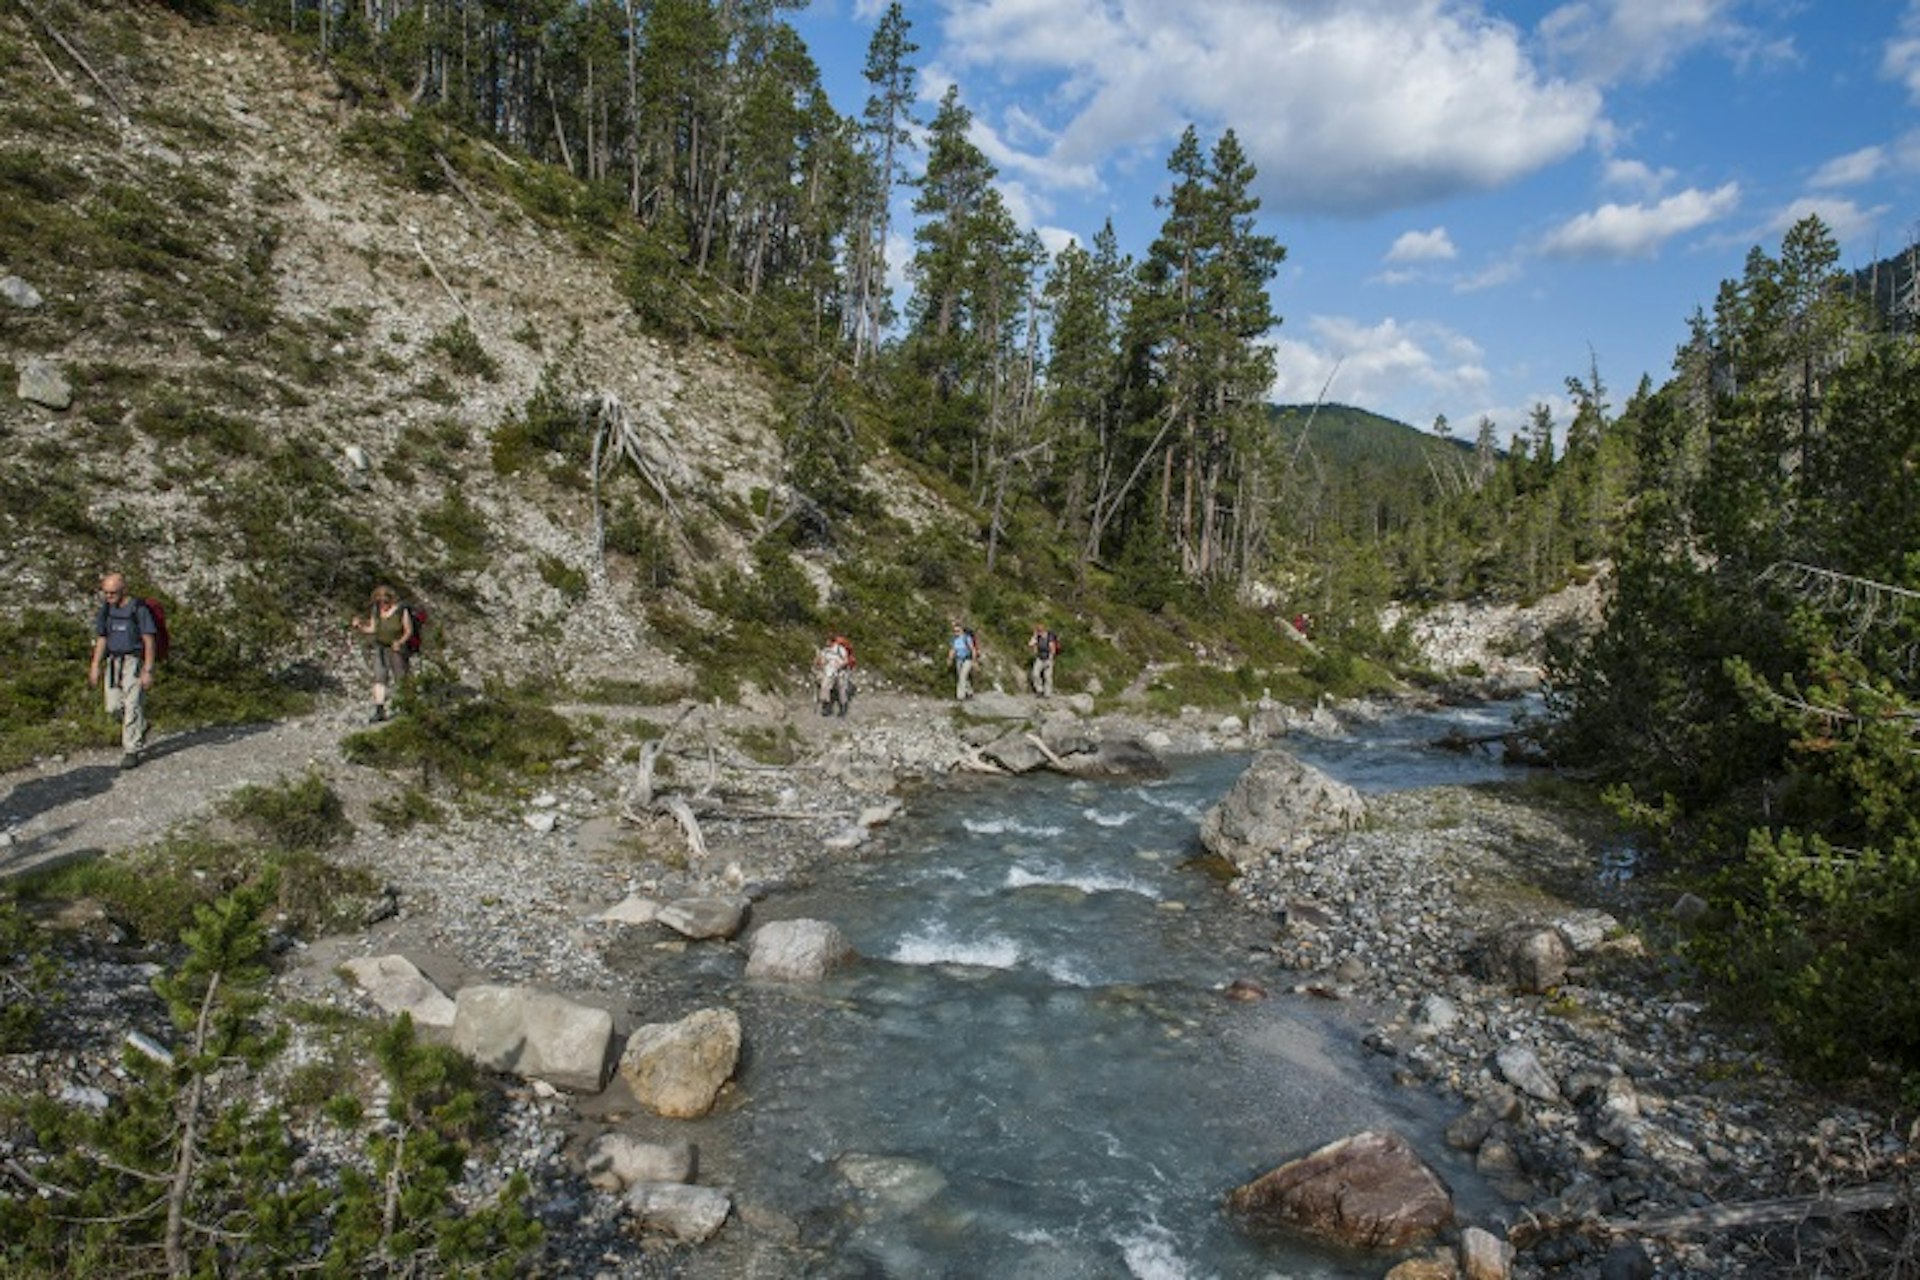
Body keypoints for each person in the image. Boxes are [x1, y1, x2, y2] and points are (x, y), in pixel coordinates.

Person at [88, 572, 156, 769]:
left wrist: (148, 669)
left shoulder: (138, 609)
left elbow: (148, 639)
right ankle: (140, 726)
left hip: (133, 661)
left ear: (123, 590)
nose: (109, 597)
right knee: (113, 707)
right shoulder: (107, 610)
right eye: (106, 593)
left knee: (132, 704)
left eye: (113, 593)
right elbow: (102, 637)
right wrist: (95, 665)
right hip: (113, 662)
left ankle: (131, 750)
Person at [349, 585, 413, 722]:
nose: (383, 604)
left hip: (397, 649)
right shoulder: (376, 610)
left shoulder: (401, 610)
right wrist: (360, 626)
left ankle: (408, 707)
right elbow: (372, 629)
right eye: (380, 601)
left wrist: (400, 642)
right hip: (381, 648)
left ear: (391, 600)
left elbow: (408, 630)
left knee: (401, 678)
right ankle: (379, 710)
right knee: (379, 678)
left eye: (385, 602)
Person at [813, 633, 852, 716]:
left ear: (832, 641)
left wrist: (839, 665)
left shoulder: (840, 649)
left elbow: (846, 660)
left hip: (841, 672)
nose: (826, 643)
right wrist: (820, 662)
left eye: (827, 641)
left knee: (841, 689)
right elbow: (821, 662)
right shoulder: (825, 651)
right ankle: (827, 707)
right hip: (829, 672)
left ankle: (843, 707)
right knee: (824, 686)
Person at [1027, 622, 1059, 697]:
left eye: (1039, 631)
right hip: (1039, 658)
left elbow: (1053, 649)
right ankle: (1039, 690)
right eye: (1038, 631)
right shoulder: (1037, 637)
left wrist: (1050, 660)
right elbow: (1030, 644)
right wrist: (1034, 636)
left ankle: (1047, 693)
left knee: (1047, 676)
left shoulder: (1049, 637)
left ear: (1043, 630)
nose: (1039, 632)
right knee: (1035, 674)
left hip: (1048, 658)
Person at [947, 622, 976, 701]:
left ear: (962, 630)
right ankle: (970, 692)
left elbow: (972, 649)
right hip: (958, 660)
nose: (956, 633)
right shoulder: (954, 639)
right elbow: (952, 650)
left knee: (962, 677)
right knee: (962, 677)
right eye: (954, 631)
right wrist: (949, 659)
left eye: (958, 631)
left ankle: (960, 696)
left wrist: (974, 661)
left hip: (967, 660)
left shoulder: (966, 638)